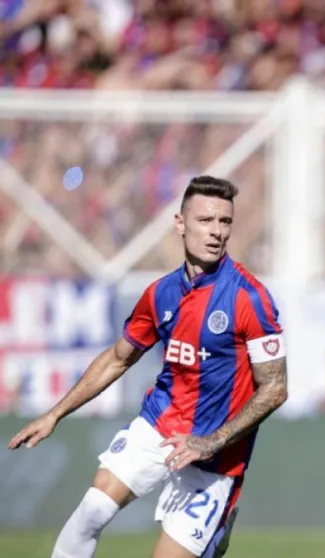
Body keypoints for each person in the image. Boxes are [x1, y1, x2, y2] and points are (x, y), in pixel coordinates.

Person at [7, 176, 289, 558]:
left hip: (215, 453)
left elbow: (274, 388)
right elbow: (118, 358)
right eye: (206, 220)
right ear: (180, 223)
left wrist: (212, 441)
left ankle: (217, 525)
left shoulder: (249, 298)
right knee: (91, 511)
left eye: (225, 222)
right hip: (158, 425)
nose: (216, 232)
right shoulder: (160, 294)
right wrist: (54, 414)